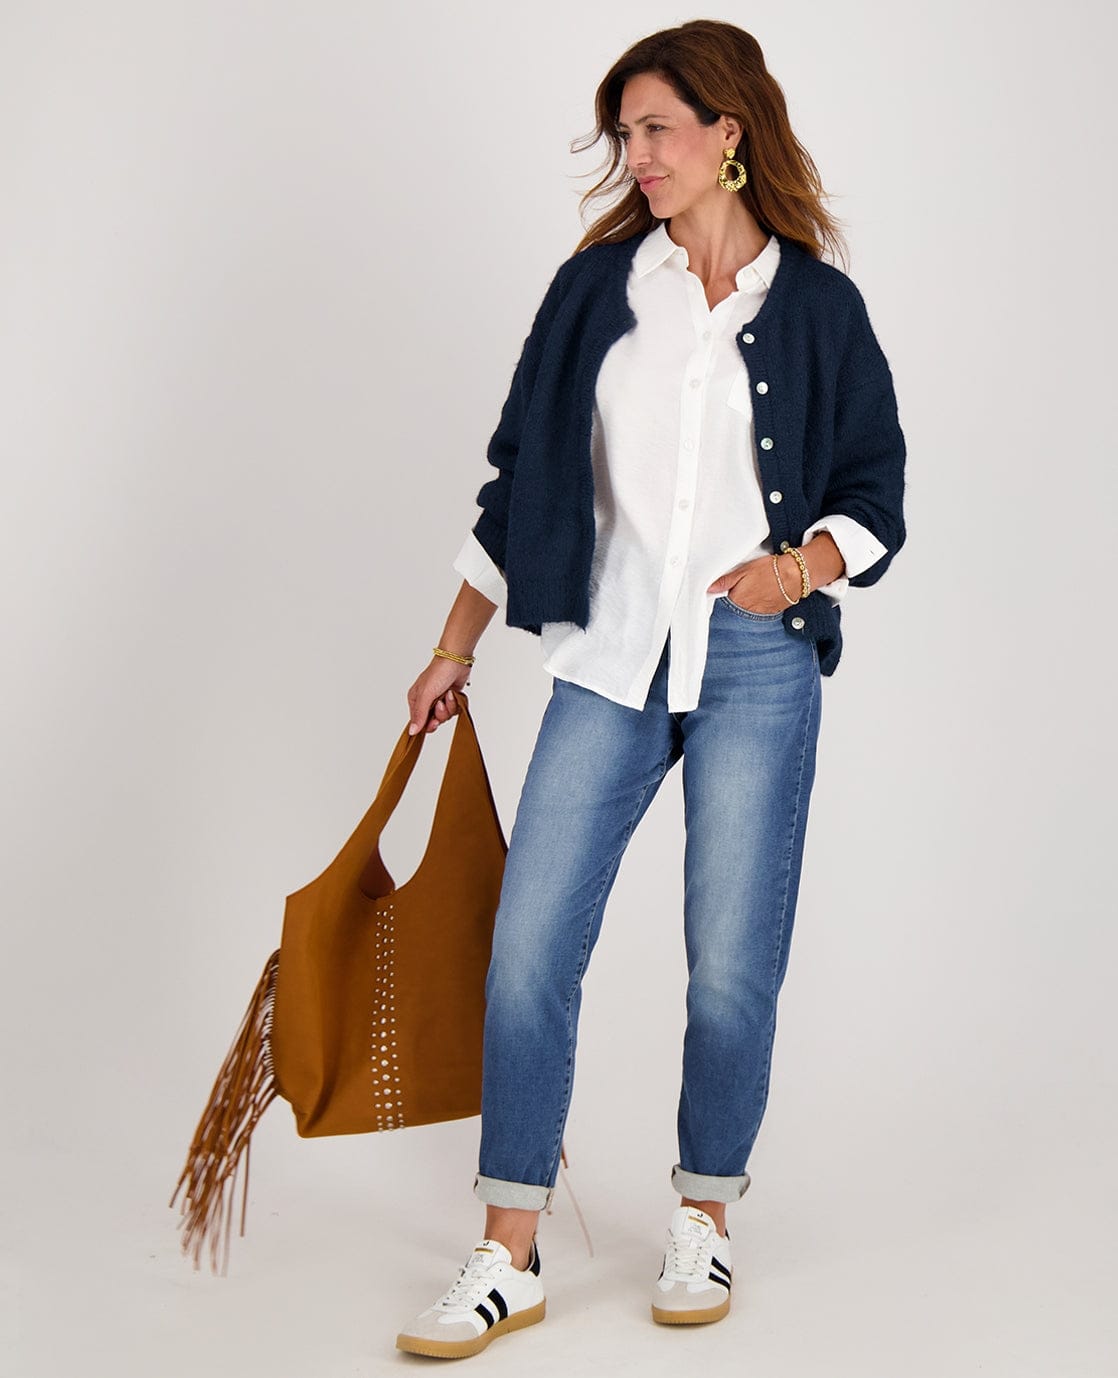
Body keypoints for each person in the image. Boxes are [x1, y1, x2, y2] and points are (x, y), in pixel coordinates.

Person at [395, 18, 906, 1360]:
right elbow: (517, 482)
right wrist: (454, 645)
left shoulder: (819, 309)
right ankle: (508, 1251)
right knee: (527, 950)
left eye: (657, 129)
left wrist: (795, 570)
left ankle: (704, 1215)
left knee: (730, 964)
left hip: (753, 663)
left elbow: (877, 496)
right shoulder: (594, 292)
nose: (637, 156)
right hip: (612, 655)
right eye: (625, 134)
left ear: (729, 133)